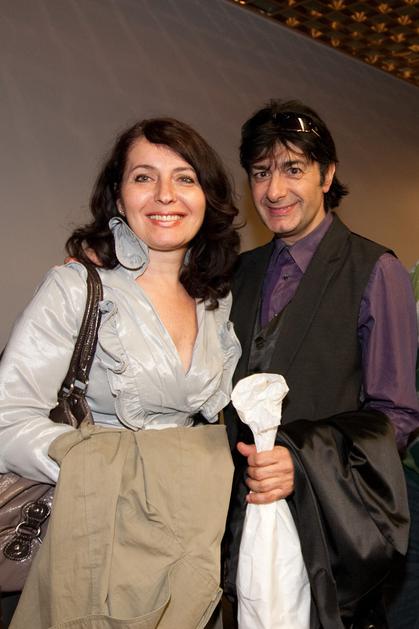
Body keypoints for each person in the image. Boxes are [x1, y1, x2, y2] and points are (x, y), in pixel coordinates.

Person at [0, 117, 242, 628]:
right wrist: (98, 465)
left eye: (184, 177)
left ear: (207, 196)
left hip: (187, 543)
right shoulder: (77, 287)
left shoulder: (214, 303)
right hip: (95, 540)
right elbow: (7, 418)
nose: (164, 194)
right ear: (118, 195)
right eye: (143, 177)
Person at [223, 100, 419, 628]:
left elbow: (396, 416)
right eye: (260, 172)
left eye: (293, 169)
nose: (274, 190)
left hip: (326, 529)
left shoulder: (375, 269)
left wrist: (305, 463)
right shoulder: (239, 272)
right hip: (238, 524)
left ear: (327, 175)